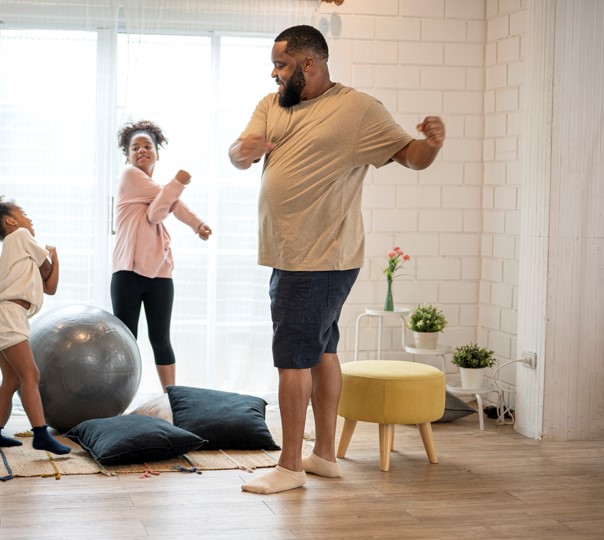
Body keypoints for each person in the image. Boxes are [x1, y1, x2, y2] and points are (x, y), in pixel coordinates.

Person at [228, 25, 445, 494]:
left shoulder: (358, 110)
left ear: (309, 64)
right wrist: (240, 153)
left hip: (320, 256)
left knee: (292, 359)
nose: (273, 72)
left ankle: (289, 466)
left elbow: (411, 157)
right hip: (290, 254)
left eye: (281, 65)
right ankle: (324, 455)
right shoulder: (273, 105)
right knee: (323, 350)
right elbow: (238, 151)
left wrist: (430, 144)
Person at [0, 188, 70, 455]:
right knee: (31, 375)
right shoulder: (21, 237)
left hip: (6, 316)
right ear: (11, 221)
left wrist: (54, 258)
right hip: (9, 316)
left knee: (11, 380)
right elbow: (49, 275)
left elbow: (50, 288)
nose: (30, 219)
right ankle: (41, 434)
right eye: (24, 214)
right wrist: (53, 258)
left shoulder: (18, 248)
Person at [111, 120, 213, 392]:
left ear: (157, 152)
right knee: (126, 339)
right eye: (135, 148)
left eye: (147, 146)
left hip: (159, 273)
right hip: (128, 272)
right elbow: (164, 206)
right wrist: (179, 183)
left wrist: (198, 225)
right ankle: (118, 398)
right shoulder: (129, 176)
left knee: (161, 339)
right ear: (127, 155)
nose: (141, 151)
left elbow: (159, 209)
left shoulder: (155, 188)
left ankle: (172, 398)